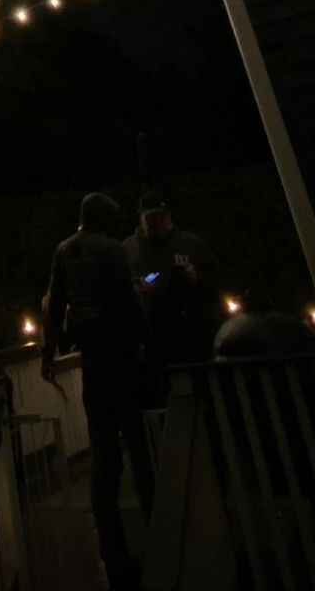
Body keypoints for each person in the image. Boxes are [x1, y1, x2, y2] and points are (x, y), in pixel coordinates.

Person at [42, 192, 154, 591]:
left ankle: (111, 545)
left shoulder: (63, 251)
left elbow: (55, 305)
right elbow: (129, 305)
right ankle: (157, 526)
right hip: (121, 357)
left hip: (91, 359)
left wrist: (47, 354)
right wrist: (143, 340)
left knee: (102, 448)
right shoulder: (111, 250)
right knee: (137, 441)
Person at [125, 189, 221, 407]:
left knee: (204, 395)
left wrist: (197, 278)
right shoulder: (131, 250)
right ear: (142, 220)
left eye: (161, 216)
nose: (157, 222)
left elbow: (216, 282)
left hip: (193, 336)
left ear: (169, 216)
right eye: (151, 218)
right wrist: (140, 289)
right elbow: (122, 290)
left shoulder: (190, 244)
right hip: (155, 340)